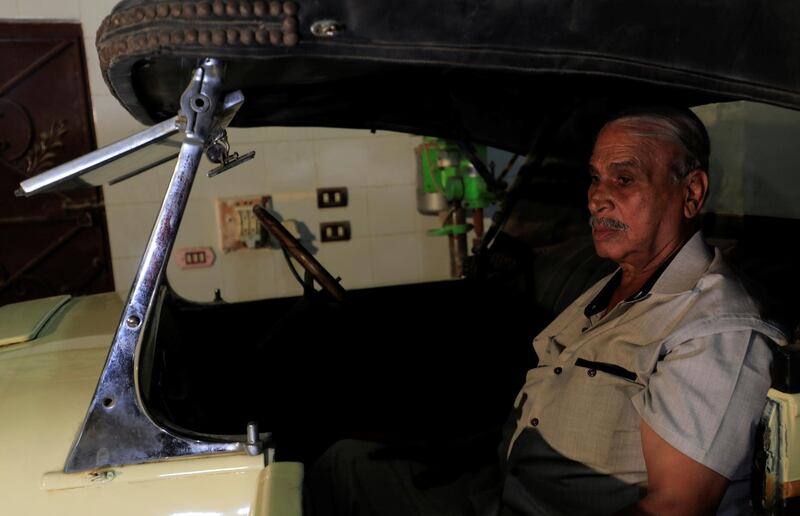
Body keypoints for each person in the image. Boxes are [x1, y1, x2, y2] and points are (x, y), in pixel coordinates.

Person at [304, 106, 787, 515]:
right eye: (595, 179)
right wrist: (446, 449)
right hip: (495, 491)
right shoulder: (609, 288)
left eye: (624, 178)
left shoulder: (714, 328)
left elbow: (675, 508)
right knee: (341, 464)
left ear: (692, 192)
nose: (598, 197)